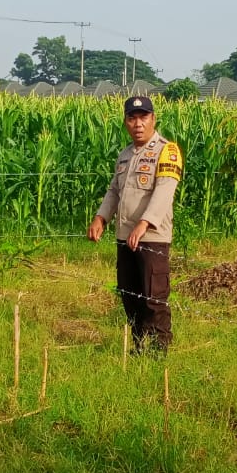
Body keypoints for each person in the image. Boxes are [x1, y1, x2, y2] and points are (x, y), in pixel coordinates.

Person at [87, 95, 183, 354]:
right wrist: (101, 217)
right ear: (125, 122)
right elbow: (114, 191)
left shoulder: (167, 151)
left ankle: (159, 350)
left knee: (153, 297)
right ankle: (139, 345)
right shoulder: (125, 155)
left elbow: (164, 191)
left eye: (143, 117)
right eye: (132, 118)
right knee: (129, 294)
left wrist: (144, 223)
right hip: (125, 236)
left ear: (153, 119)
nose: (138, 124)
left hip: (152, 238)